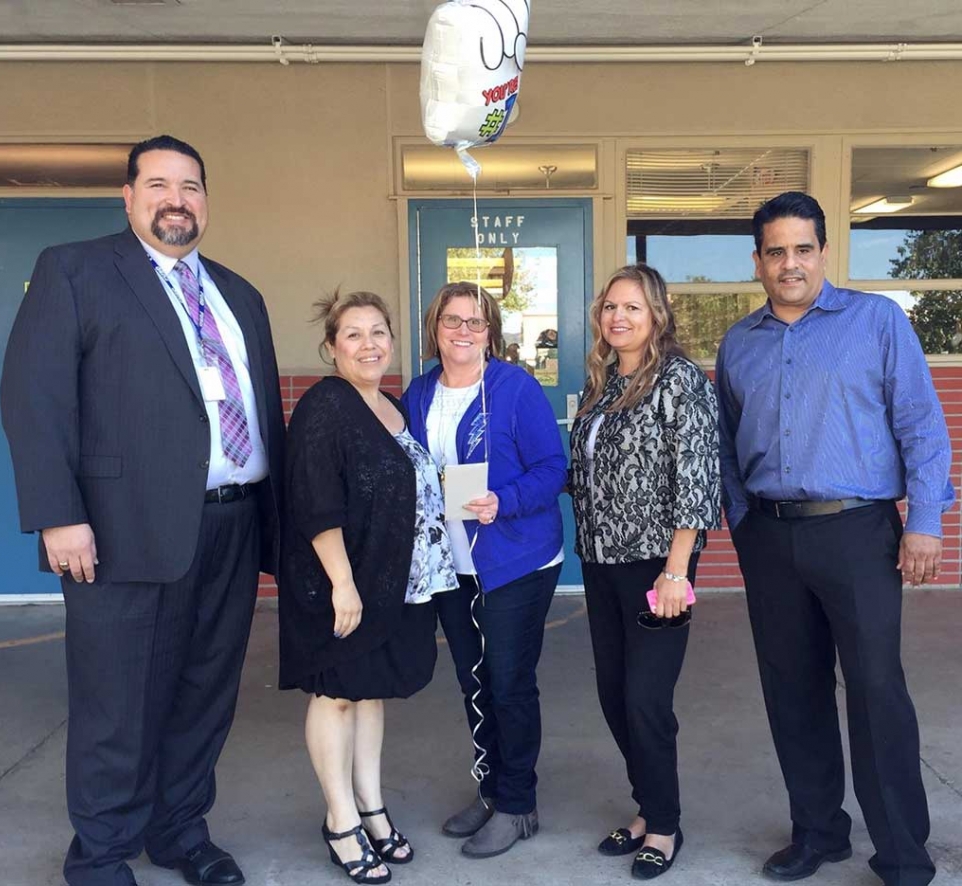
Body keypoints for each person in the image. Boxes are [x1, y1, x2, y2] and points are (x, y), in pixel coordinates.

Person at [0, 135, 285, 886]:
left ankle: (179, 830)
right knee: (115, 703)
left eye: (190, 186)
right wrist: (58, 515)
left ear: (206, 202)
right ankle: (98, 854)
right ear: (127, 198)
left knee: (204, 695)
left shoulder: (239, 294)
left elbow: (262, 418)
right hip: (118, 532)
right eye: (157, 184)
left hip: (232, 523)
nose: (176, 199)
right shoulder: (76, 271)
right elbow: (35, 400)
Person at [715, 191, 954, 886]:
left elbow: (921, 425)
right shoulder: (740, 342)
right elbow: (728, 443)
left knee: (878, 690)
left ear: (823, 252)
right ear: (757, 260)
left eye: (803, 249)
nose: (790, 263)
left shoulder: (876, 321)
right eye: (775, 251)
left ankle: (904, 853)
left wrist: (925, 523)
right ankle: (819, 833)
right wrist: (741, 520)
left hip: (859, 533)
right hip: (771, 536)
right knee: (793, 691)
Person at [278, 290, 457, 884]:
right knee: (336, 694)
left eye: (378, 332)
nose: (369, 344)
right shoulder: (325, 405)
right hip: (342, 584)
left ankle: (372, 808)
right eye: (353, 334)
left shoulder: (391, 406)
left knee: (370, 691)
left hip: (393, 583)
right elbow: (315, 500)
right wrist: (343, 584)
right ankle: (340, 820)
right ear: (331, 348)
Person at [402, 281, 566, 859]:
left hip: (517, 558)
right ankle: (492, 790)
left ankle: (518, 804)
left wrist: (506, 500)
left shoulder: (514, 388)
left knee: (509, 681)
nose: (464, 331)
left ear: (490, 332)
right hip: (455, 563)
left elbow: (554, 467)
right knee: (474, 682)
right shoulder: (420, 393)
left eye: (476, 321)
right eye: (452, 321)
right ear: (435, 330)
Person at [569, 264, 720, 880]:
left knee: (646, 700)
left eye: (632, 307)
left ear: (657, 313)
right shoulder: (603, 383)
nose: (618, 318)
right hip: (600, 562)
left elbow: (696, 477)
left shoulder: (679, 381)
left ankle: (664, 824)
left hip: (657, 567)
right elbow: (586, 471)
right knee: (613, 696)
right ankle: (647, 804)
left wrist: (677, 571)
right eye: (610, 307)